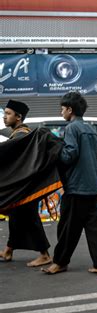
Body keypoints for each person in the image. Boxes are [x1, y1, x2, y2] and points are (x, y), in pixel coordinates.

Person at [42, 91, 97, 276]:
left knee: (67, 228)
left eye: (62, 109)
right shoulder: (91, 130)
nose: (61, 112)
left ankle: (59, 263)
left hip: (76, 187)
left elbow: (69, 155)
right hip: (94, 187)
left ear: (70, 110)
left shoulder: (72, 128)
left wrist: (56, 148)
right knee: (94, 229)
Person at [0, 100, 52, 267]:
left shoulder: (22, 136)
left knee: (29, 219)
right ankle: (8, 251)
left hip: (25, 188)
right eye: (4, 113)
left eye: (8, 114)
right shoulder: (18, 134)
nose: (4, 117)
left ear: (19, 116)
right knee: (16, 218)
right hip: (23, 187)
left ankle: (44, 254)